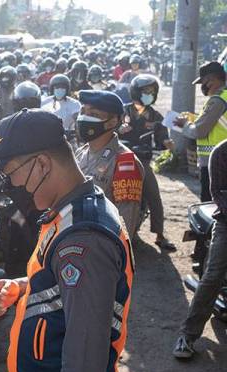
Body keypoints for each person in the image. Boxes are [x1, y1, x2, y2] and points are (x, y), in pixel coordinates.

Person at [0, 109, 133, 372]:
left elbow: (85, 362)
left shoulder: (84, 238)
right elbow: (64, 286)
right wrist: (21, 287)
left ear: (42, 164)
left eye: (10, 174)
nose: (10, 186)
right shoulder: (68, 213)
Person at [174, 139, 227, 359]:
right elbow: (218, 193)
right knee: (213, 275)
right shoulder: (222, 153)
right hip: (226, 220)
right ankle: (187, 335)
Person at [74, 90, 144, 239]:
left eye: (94, 114)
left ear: (112, 122)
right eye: (83, 111)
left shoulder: (125, 163)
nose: (84, 117)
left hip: (100, 246)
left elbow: (125, 222)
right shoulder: (82, 152)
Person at [119, 74, 176, 251]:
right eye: (146, 91)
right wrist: (119, 129)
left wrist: (167, 143)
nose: (149, 94)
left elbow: (161, 138)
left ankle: (159, 235)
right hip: (120, 158)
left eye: (152, 92)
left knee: (154, 195)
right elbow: (111, 129)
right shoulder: (122, 111)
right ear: (136, 92)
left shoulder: (156, 115)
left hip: (142, 161)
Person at [174, 61, 227, 202]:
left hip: (216, 164)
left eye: (202, 82)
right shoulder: (224, 97)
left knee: (212, 207)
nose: (202, 87)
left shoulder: (217, 100)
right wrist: (195, 119)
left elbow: (198, 132)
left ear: (211, 80)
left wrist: (185, 124)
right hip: (222, 162)